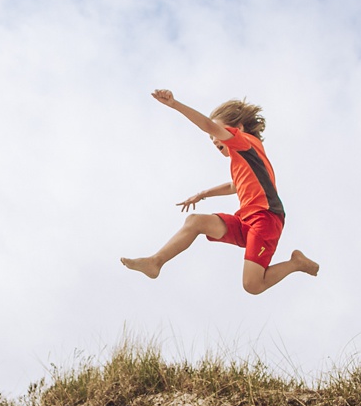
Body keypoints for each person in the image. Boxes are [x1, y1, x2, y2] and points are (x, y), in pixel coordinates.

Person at [121, 89, 318, 294]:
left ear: (238, 129)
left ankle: (296, 263)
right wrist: (203, 193)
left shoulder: (244, 142)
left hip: (266, 219)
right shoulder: (242, 157)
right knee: (195, 221)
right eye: (211, 138)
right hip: (245, 221)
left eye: (216, 133)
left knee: (252, 285)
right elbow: (234, 186)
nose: (214, 139)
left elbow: (207, 124)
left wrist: (175, 104)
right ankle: (156, 262)